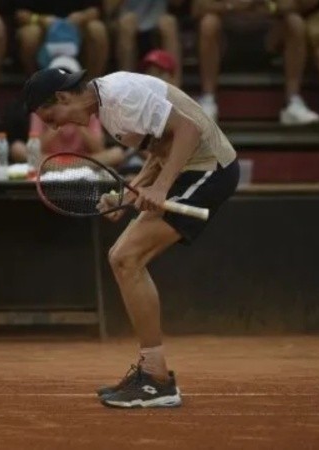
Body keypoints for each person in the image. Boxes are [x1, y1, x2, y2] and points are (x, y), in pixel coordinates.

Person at [23, 67, 239, 408]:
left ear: (64, 97)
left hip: (209, 169)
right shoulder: (108, 110)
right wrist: (127, 195)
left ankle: (156, 381)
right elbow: (162, 147)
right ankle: (153, 374)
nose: (52, 126)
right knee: (124, 258)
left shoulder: (121, 96)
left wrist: (163, 186)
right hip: (190, 169)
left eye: (50, 115)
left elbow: (188, 129)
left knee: (126, 257)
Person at [192, 0, 319, 124]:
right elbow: (197, 8)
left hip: (267, 37)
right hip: (226, 38)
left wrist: (271, 7)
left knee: (295, 22)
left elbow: (299, 4)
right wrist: (231, 6)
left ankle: (293, 101)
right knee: (208, 23)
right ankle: (208, 99)